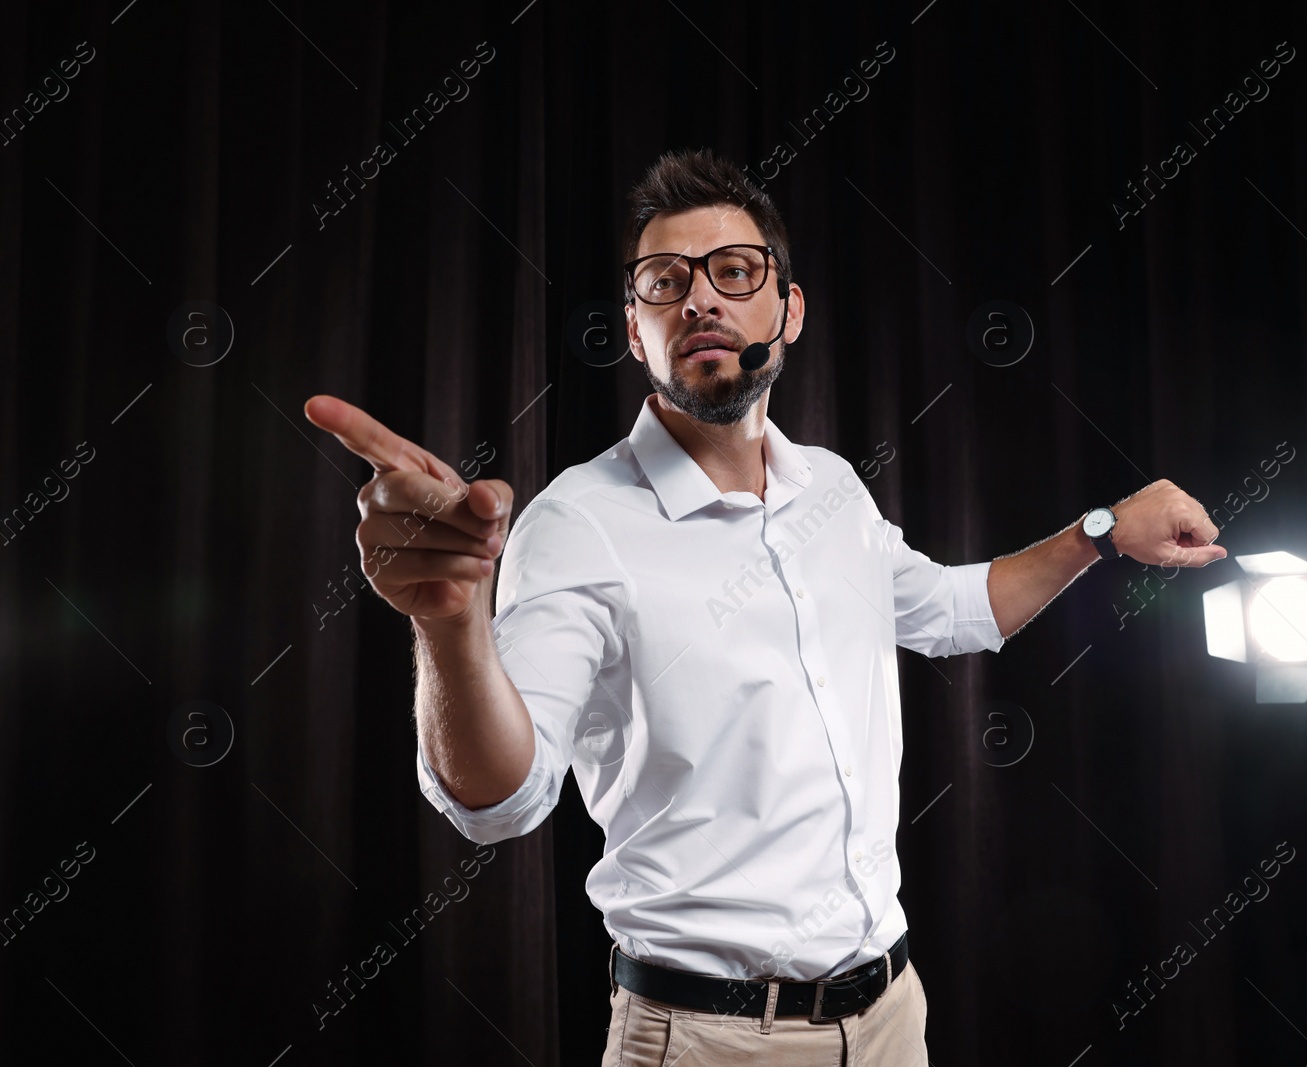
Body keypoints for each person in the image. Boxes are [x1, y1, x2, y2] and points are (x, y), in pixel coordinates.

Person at [304, 147, 1225, 1065]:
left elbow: (949, 609)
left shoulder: (830, 488)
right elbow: (501, 801)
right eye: (664, 282)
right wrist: (448, 618)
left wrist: (1102, 530)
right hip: (710, 1041)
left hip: (892, 1017)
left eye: (735, 272)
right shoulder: (577, 524)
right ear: (635, 329)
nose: (700, 299)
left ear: (788, 312)